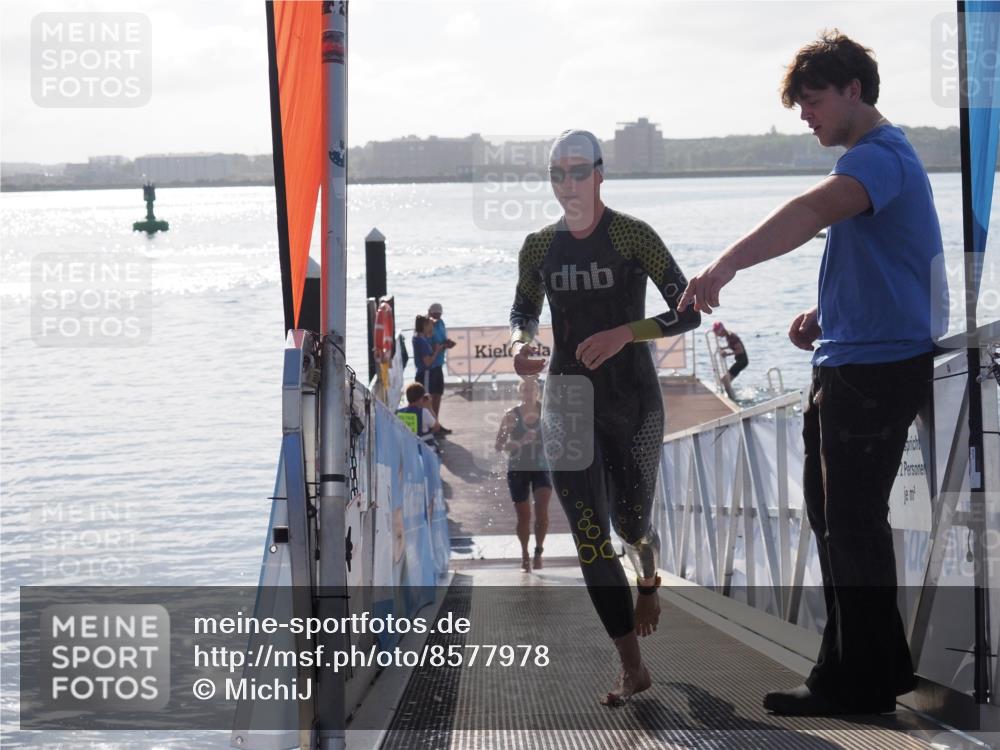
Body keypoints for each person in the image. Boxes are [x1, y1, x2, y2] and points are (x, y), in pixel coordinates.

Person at [678, 31, 944, 716]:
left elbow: (810, 212)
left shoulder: (879, 158)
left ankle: (854, 682)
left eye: (815, 100)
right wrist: (824, 311)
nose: (806, 116)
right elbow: (888, 258)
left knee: (852, 523)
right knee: (835, 521)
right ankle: (872, 667)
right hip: (852, 360)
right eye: (800, 105)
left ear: (854, 89)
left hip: (876, 370)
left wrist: (725, 265)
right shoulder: (876, 161)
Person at [509, 129, 701, 705]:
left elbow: (687, 311)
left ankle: (648, 577)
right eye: (557, 174)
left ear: (599, 173)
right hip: (568, 399)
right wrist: (523, 342)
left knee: (630, 525)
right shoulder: (538, 247)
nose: (568, 183)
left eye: (578, 171)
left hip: (633, 399)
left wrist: (627, 333)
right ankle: (632, 666)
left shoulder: (630, 235)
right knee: (591, 537)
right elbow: (523, 309)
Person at [494, 377, 551, 572]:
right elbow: (499, 446)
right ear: (520, 392)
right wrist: (522, 441)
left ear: (537, 392)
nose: (528, 393)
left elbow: (559, 436)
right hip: (518, 468)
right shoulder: (512, 415)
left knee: (542, 511)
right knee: (524, 517)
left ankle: (539, 551)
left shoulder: (546, 412)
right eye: (525, 390)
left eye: (532, 390)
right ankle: (525, 553)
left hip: (541, 466)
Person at [427, 303, 456, 434]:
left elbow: (441, 341)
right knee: (429, 397)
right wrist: (442, 345)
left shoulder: (441, 323)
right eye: (434, 315)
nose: (437, 318)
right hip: (430, 366)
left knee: (438, 395)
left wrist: (447, 342)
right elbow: (430, 346)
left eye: (439, 315)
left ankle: (436, 423)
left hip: (439, 364)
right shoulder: (427, 325)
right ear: (429, 313)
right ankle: (429, 425)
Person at [411, 314, 444, 420]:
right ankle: (430, 424)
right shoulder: (421, 341)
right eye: (430, 325)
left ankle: (433, 422)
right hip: (425, 373)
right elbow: (427, 362)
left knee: (428, 399)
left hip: (425, 373)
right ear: (425, 325)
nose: (432, 327)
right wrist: (436, 351)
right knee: (425, 399)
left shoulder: (420, 338)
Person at [396, 382, 441, 451]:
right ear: (421, 398)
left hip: (405, 449)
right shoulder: (423, 412)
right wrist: (429, 407)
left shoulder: (398, 413)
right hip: (422, 450)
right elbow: (437, 427)